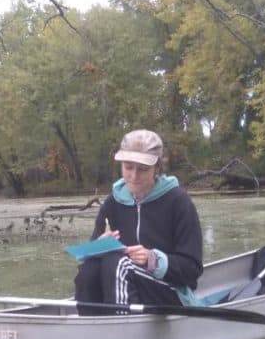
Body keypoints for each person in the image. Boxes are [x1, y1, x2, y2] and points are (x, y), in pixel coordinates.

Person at [74, 129, 203, 314]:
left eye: (143, 169)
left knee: (118, 264)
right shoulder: (112, 203)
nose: (134, 176)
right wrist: (98, 245)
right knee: (90, 268)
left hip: (169, 292)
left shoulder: (179, 202)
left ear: (157, 168)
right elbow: (92, 256)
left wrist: (154, 260)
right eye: (128, 167)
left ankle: (121, 333)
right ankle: (88, 329)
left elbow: (192, 270)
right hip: (120, 286)